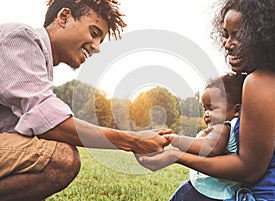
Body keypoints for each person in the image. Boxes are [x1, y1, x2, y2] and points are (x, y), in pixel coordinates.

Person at [0, 0, 171, 200]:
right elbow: (48, 120)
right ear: (64, 17)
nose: (97, 47)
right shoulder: (20, 38)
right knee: (61, 157)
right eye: (94, 33)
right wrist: (133, 141)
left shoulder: (38, 62)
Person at [138, 0, 275, 200]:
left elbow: (249, 170)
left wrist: (175, 155)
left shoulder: (260, 82)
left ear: (264, 35)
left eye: (238, 35)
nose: (227, 43)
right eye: (226, 34)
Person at [153, 73, 246, 201]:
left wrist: (175, 139)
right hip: (221, 194)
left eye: (212, 108)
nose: (207, 114)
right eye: (205, 109)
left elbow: (210, 147)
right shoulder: (236, 129)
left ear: (236, 110)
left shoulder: (223, 127)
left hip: (203, 192)